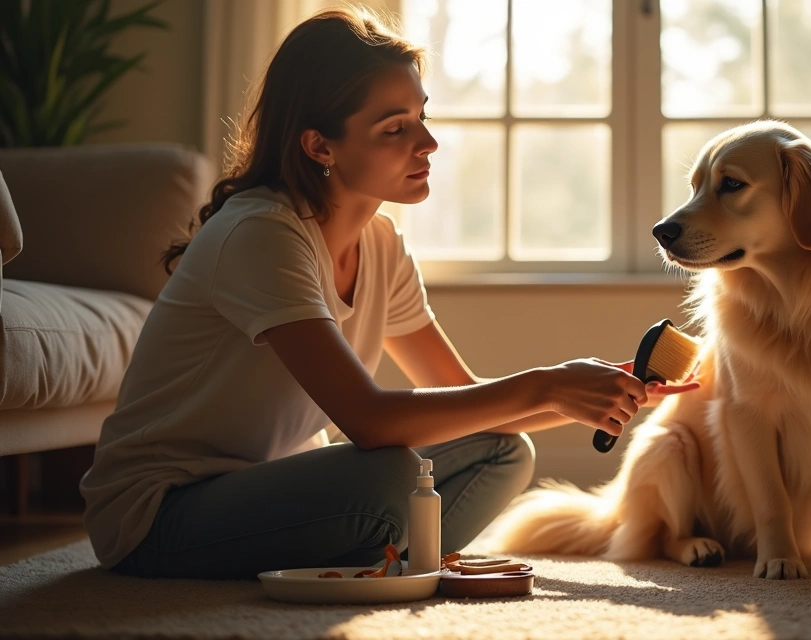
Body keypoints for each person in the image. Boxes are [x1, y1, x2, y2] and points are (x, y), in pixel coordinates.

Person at [79, 6, 697, 579]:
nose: (426, 144)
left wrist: (599, 391)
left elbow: (466, 401)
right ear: (320, 145)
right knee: (386, 478)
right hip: (159, 514)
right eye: (394, 128)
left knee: (501, 449)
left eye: (421, 117)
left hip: (271, 490)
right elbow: (369, 421)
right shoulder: (260, 234)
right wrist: (547, 384)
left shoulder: (381, 244)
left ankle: (382, 562)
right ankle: (386, 559)